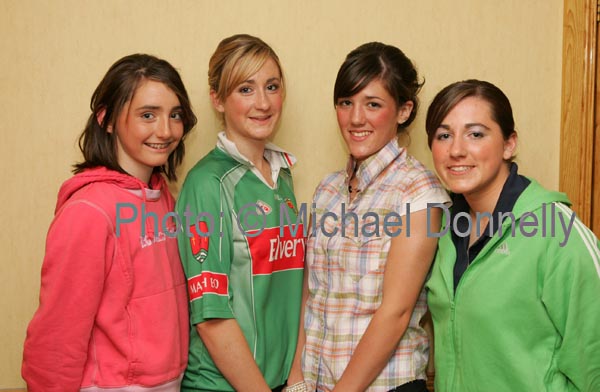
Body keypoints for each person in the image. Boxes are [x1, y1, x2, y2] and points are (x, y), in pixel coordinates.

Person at [22, 54, 197, 391]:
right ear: (107, 119)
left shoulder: (165, 200)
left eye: (175, 116)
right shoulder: (88, 211)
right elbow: (56, 336)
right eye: (148, 115)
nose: (166, 130)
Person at [292, 42, 450, 392]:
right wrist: (296, 379)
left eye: (373, 104)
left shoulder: (418, 192)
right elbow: (312, 292)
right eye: (346, 102)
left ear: (404, 110)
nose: (355, 118)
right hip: (317, 381)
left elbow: (395, 314)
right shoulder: (328, 189)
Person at [425, 79, 600, 392]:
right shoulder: (442, 231)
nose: (456, 150)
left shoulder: (557, 233)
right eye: (443, 135)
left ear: (509, 144)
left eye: (475, 134)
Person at [176, 34, 304, 392]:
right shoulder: (207, 184)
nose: (263, 103)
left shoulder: (283, 175)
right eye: (245, 89)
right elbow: (211, 316)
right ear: (217, 99)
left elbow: (293, 290)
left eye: (272, 86)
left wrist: (296, 378)